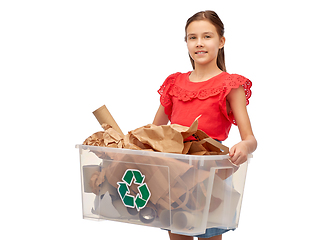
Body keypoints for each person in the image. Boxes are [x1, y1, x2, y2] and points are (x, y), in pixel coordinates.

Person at [153, 10, 257, 240]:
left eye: (207, 36)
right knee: (178, 234)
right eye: (192, 38)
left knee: (209, 235)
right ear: (186, 42)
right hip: (175, 172)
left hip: (210, 172)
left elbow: (250, 139)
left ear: (221, 42)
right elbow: (154, 134)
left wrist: (244, 147)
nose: (199, 43)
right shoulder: (174, 83)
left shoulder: (230, 85)